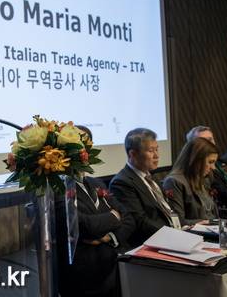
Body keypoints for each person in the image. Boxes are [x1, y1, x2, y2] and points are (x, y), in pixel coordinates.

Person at [57, 126, 135, 297]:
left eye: (86, 145)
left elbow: (129, 219)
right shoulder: (57, 188)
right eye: (76, 145)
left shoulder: (96, 183)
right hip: (84, 277)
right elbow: (83, 225)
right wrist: (113, 216)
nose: (81, 150)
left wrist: (110, 237)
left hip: (115, 266)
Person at [109, 128, 173, 247]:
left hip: (169, 236)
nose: (157, 155)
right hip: (149, 244)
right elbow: (140, 221)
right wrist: (172, 232)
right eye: (151, 151)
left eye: (157, 149)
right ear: (132, 154)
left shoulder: (151, 177)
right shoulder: (122, 182)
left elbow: (166, 210)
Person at [162, 138, 218, 226]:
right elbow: (178, 221)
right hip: (194, 232)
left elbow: (212, 212)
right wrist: (207, 223)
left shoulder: (205, 178)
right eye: (210, 162)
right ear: (196, 160)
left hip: (213, 228)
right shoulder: (173, 182)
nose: (213, 167)